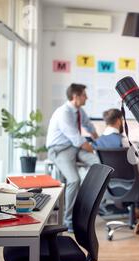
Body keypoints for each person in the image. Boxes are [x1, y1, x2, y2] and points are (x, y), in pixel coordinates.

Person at [46, 83, 100, 233]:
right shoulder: (63, 112)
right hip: (60, 149)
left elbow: (87, 124)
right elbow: (76, 137)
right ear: (76, 96)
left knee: (99, 163)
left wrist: (96, 136)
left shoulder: (79, 111)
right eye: (84, 95)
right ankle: (68, 220)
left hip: (73, 147)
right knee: (74, 179)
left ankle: (89, 202)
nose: (87, 97)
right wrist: (92, 147)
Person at [94, 108, 139, 199]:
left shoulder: (97, 143)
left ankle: (135, 210)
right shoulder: (123, 141)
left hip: (109, 188)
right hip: (133, 187)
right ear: (118, 121)